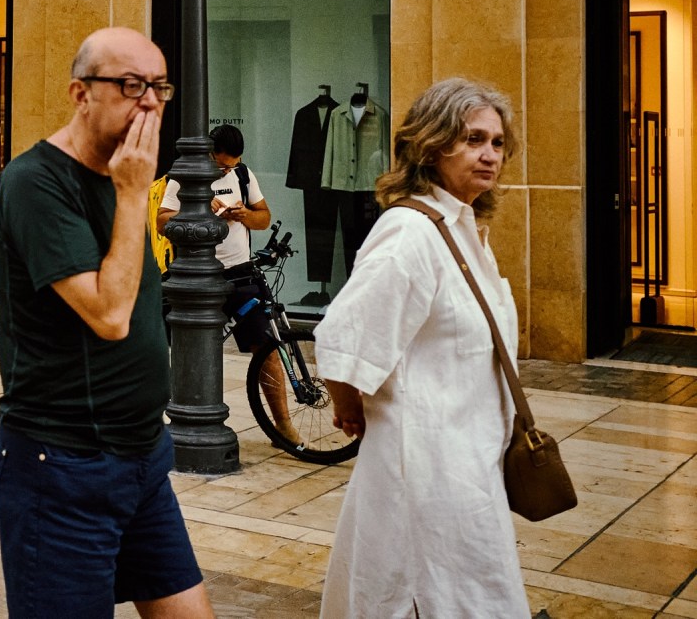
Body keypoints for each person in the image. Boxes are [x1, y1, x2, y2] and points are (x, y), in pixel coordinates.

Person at [0, 26, 212, 619]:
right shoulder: (36, 182)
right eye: (131, 85)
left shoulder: (120, 173)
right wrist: (135, 194)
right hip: (61, 470)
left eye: (159, 87)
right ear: (79, 93)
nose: (151, 103)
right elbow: (109, 315)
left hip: (140, 460)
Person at [313, 77, 528, 618]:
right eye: (473, 139)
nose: (490, 155)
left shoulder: (467, 230)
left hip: (472, 469)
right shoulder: (410, 234)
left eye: (498, 143)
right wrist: (350, 407)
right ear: (432, 146)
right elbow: (342, 338)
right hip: (426, 476)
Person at [154, 124, 290, 440]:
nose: (228, 170)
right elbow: (162, 221)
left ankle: (283, 425)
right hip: (194, 276)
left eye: (233, 165)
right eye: (223, 164)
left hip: (240, 273)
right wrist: (200, 209)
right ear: (210, 154)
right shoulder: (185, 176)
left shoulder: (243, 176)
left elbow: (264, 217)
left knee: (266, 348)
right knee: (167, 344)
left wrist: (243, 214)